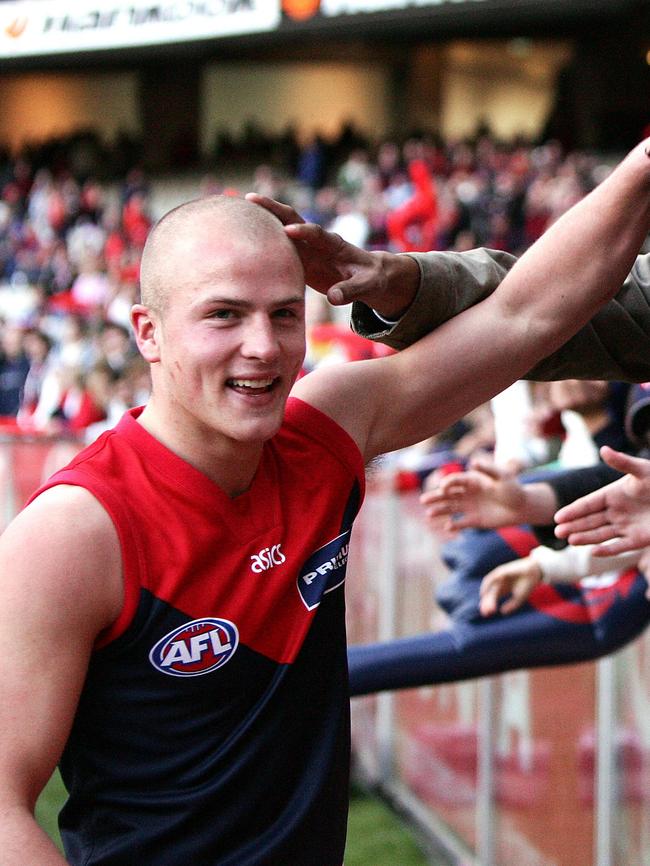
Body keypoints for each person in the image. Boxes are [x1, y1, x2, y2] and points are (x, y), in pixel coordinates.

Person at [2, 139, 650, 866]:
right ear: (147, 333)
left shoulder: (326, 430)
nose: (264, 346)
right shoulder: (74, 531)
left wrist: (640, 167)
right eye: (223, 315)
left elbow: (528, 316)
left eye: (284, 314)